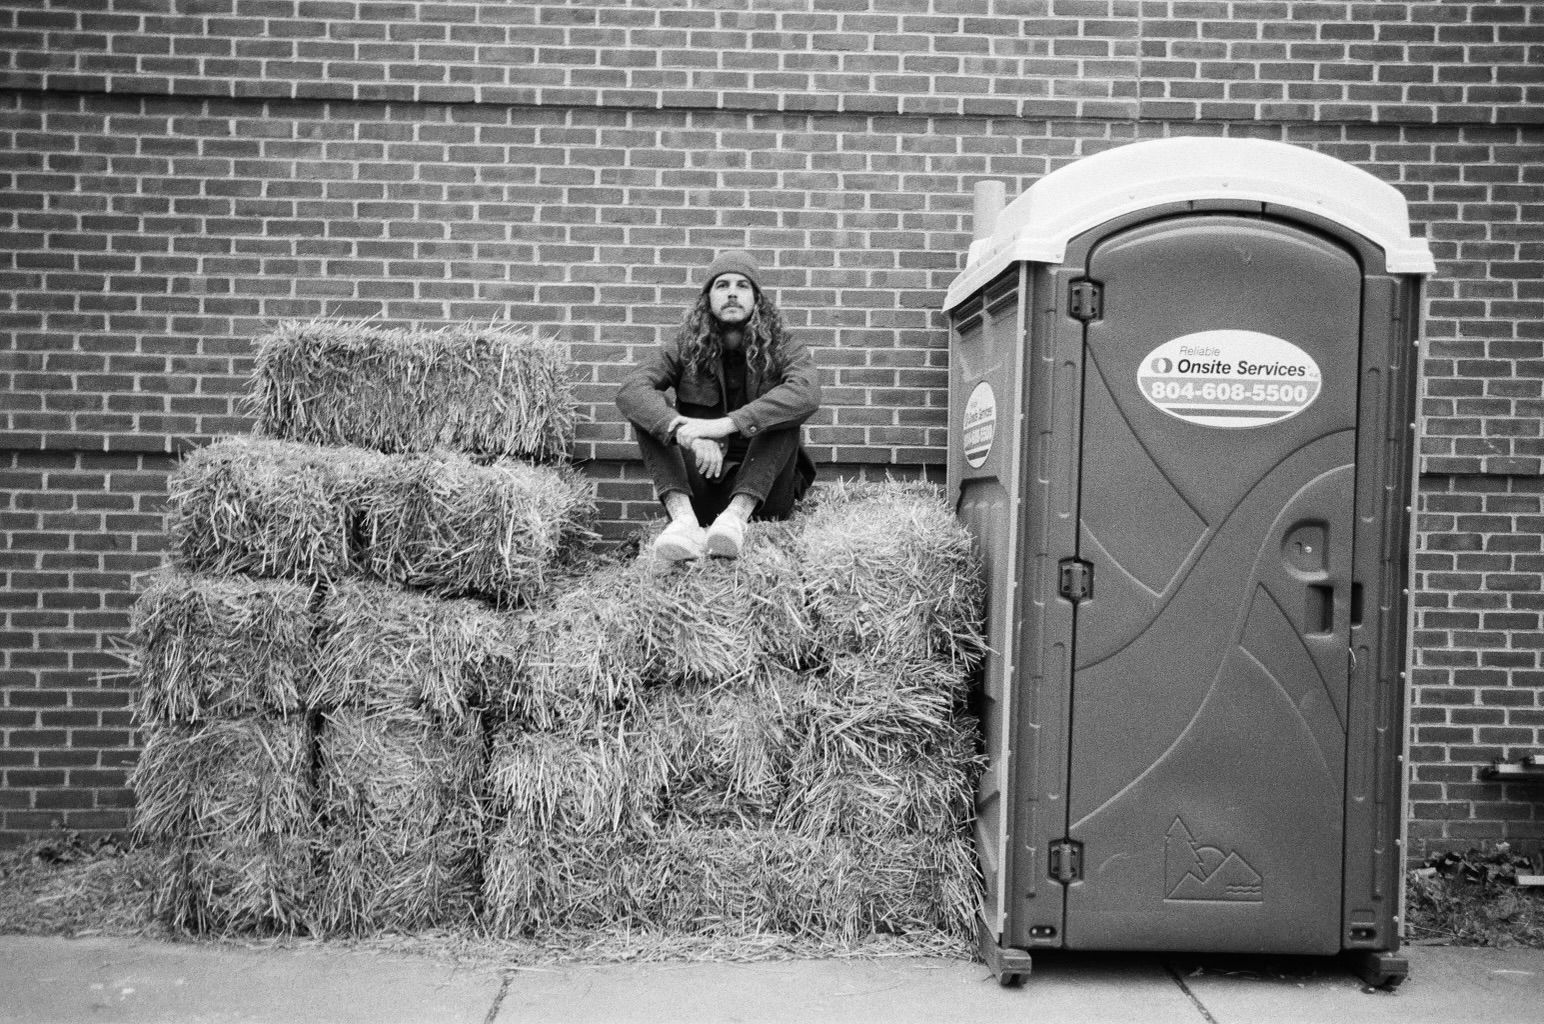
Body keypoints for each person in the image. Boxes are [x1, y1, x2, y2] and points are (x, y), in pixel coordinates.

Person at [616, 250, 821, 561]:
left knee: (782, 414)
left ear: (757, 299)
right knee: (652, 414)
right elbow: (631, 389)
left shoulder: (785, 347)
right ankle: (683, 521)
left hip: (764, 497)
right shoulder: (685, 346)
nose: (732, 293)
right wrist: (688, 434)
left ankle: (736, 518)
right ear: (708, 298)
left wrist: (722, 425)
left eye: (742, 286)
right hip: (703, 487)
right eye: (722, 285)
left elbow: (806, 394)